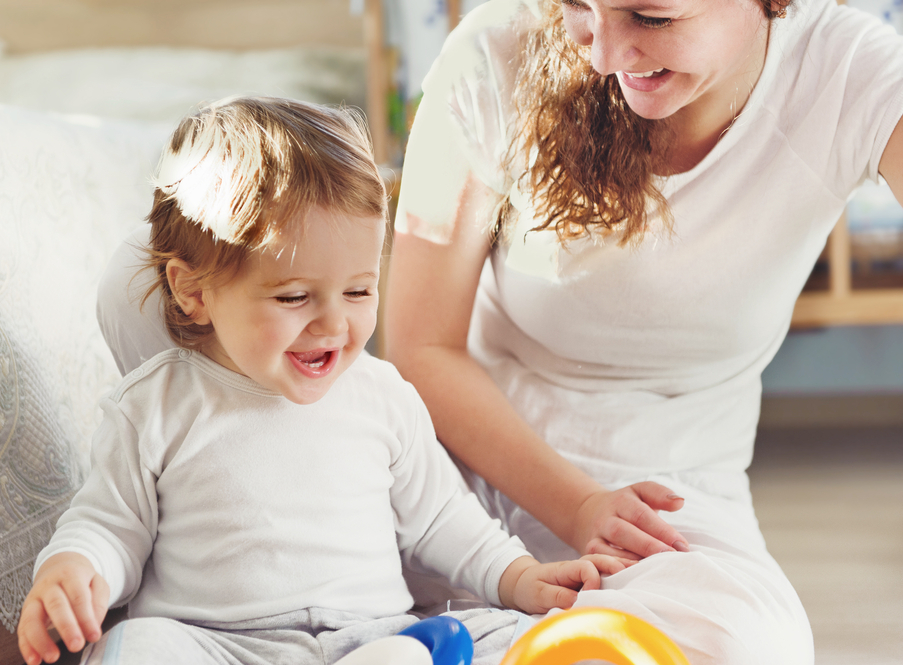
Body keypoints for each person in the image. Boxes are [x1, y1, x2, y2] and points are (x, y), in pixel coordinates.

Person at [15, 96, 632, 665]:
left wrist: (519, 577)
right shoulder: (154, 405)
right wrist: (75, 569)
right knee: (137, 645)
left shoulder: (382, 397)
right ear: (193, 291)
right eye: (293, 297)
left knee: (456, 643)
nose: (334, 323)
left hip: (365, 640)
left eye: (360, 290)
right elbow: (109, 527)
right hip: (217, 645)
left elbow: (443, 518)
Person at [382, 0, 903, 663]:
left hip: (668, 505)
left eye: (650, 19)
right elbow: (420, 349)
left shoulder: (848, 70)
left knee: (754, 645)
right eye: (577, 6)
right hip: (465, 479)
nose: (601, 56)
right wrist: (576, 507)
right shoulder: (487, 54)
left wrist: (606, 517)